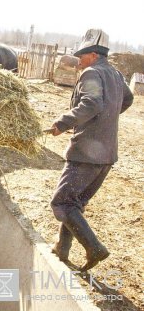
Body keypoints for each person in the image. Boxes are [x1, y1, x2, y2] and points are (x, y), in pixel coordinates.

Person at [48, 29, 134, 271]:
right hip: (106, 155)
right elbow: (127, 99)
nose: (79, 61)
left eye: (82, 56)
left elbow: (92, 103)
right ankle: (62, 249)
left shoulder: (91, 72)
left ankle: (94, 248)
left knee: (62, 203)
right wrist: (105, 121)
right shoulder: (115, 74)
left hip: (86, 153)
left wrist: (63, 123)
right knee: (73, 203)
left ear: (93, 55)